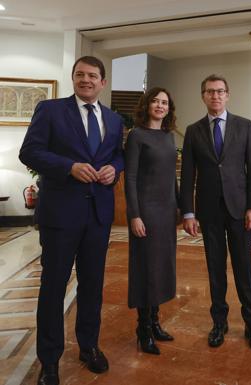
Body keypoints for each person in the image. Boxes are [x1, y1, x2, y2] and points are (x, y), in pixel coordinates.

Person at [19, 56, 124, 385]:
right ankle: (49, 361)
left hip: (98, 215)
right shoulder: (50, 111)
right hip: (61, 215)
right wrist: (69, 167)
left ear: (102, 82)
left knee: (92, 286)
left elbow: (117, 154)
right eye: (80, 74)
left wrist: (114, 169)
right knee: (53, 288)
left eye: (93, 75)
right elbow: (30, 152)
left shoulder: (114, 118)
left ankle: (89, 347)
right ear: (73, 78)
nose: (86, 80)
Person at [179, 74, 251, 352]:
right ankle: (219, 322)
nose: (215, 96)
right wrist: (188, 213)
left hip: (240, 209)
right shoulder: (193, 130)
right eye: (209, 92)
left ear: (227, 95)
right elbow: (188, 174)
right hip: (209, 211)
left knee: (244, 268)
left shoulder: (244, 126)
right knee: (215, 268)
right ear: (203, 96)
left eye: (220, 92)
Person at [124, 87, 178, 355]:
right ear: (146, 105)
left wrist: (179, 209)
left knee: (161, 268)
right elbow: (130, 178)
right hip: (145, 211)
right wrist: (134, 214)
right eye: (155, 101)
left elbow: (172, 178)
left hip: (167, 212)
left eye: (164, 102)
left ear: (169, 108)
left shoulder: (169, 137)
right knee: (146, 268)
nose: (160, 105)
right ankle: (143, 328)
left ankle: (156, 322)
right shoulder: (136, 136)